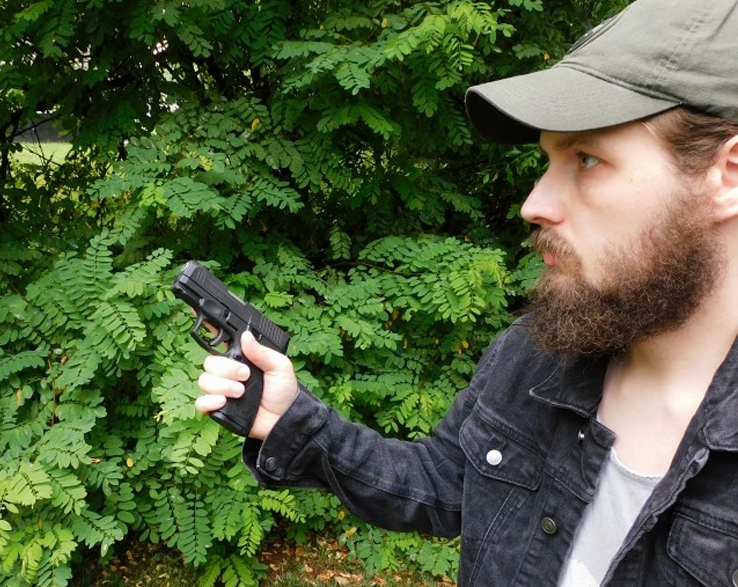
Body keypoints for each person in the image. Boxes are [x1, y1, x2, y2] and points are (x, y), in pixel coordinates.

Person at [195, 0, 738, 584]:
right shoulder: (537, 354)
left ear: (727, 176)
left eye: (586, 159)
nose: (534, 204)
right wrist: (290, 423)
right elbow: (447, 481)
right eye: (547, 161)